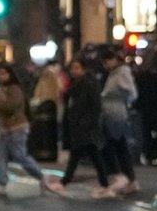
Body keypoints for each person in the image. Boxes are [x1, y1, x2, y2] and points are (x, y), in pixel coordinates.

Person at [0, 64, 65, 199]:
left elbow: (10, 106)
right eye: (0, 74)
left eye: (4, 73)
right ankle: (1, 183)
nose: (2, 76)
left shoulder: (15, 89)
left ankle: (40, 175)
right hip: (3, 129)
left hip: (17, 129)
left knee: (19, 155)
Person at [98, 48, 140, 199]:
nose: (106, 65)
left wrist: (119, 97)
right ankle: (129, 179)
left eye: (107, 61)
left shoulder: (122, 72)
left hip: (117, 115)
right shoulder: (113, 73)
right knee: (118, 146)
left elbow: (132, 93)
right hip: (111, 114)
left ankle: (125, 178)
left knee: (114, 146)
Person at [59, 56, 106, 187]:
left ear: (84, 69)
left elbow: (95, 106)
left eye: (77, 68)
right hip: (80, 126)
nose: (74, 71)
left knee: (84, 154)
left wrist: (86, 122)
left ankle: (65, 181)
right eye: (72, 68)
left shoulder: (88, 84)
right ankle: (104, 183)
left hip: (85, 126)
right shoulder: (76, 84)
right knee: (86, 154)